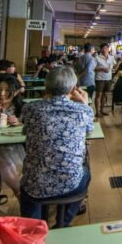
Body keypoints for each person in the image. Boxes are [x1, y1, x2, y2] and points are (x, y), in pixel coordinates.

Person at [19, 67, 93, 227]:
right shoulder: (82, 111)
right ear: (74, 89)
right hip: (70, 183)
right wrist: (84, 103)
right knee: (86, 172)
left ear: (46, 88)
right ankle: (63, 223)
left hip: (34, 183)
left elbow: (25, 130)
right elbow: (89, 132)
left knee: (29, 187)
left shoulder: (30, 108)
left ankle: (33, 228)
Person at [94, 43, 116, 116]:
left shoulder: (111, 57)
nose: (104, 49)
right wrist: (102, 68)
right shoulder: (97, 58)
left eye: (106, 48)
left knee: (104, 95)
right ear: (101, 49)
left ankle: (102, 110)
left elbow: (114, 66)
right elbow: (93, 68)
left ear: (108, 49)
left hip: (108, 79)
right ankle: (97, 112)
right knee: (98, 95)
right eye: (103, 48)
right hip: (99, 79)